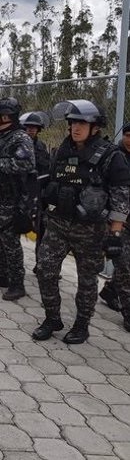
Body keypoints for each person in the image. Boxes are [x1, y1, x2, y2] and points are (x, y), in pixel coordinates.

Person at [33, 100, 130, 344]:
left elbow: (121, 196)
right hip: (58, 222)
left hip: (91, 229)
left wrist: (115, 233)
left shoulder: (111, 156)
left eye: (82, 123)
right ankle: (52, 317)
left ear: (95, 127)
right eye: (72, 122)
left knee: (87, 280)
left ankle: (82, 324)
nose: (75, 127)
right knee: (45, 270)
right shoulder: (64, 149)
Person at [0, 98, 36, 301]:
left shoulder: (20, 138)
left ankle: (17, 283)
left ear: (4, 117)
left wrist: (1, 165)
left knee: (10, 242)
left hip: (10, 200)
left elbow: (26, 165)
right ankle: (1, 274)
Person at [98, 122, 130, 330]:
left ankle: (110, 290)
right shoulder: (114, 156)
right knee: (125, 265)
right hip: (118, 219)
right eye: (128, 134)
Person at [21, 111, 51, 270]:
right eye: (29, 127)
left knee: (41, 229)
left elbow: (45, 170)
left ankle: (40, 263)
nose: (31, 130)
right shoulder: (18, 143)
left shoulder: (41, 147)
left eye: (35, 128)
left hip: (37, 193)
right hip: (20, 192)